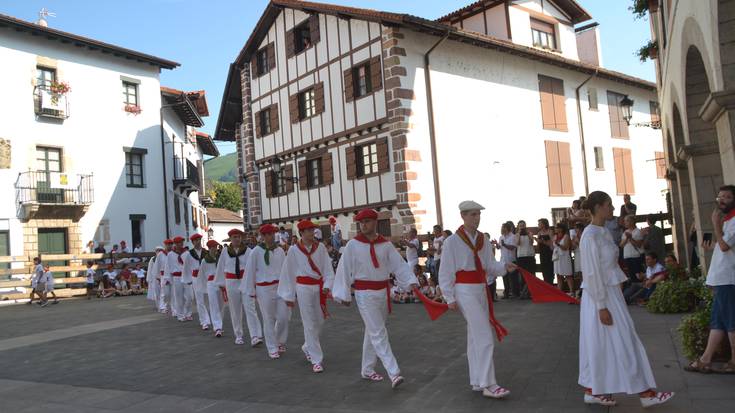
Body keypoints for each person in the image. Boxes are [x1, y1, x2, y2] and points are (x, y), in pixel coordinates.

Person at [578, 191, 673, 407]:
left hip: (610, 294)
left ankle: (594, 389)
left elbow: (608, 265)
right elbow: (591, 273)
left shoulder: (601, 232)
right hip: (600, 297)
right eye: (609, 204)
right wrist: (602, 306)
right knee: (620, 339)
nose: (613, 208)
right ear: (598, 207)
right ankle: (645, 393)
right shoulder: (590, 235)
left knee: (604, 342)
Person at [332, 208, 419, 389]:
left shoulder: (385, 245)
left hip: (382, 292)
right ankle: (394, 372)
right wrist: (343, 293)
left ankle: (367, 369)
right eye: (361, 223)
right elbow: (344, 268)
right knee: (378, 332)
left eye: (367, 222)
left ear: (375, 222)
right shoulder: (353, 245)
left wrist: (410, 281)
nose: (364, 225)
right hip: (364, 294)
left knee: (373, 331)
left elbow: (399, 265)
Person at [439, 200, 514, 399]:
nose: (476, 218)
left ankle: (478, 381)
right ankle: (489, 383)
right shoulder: (452, 241)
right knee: (483, 335)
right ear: (463, 216)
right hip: (463, 290)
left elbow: (489, 265)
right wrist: (449, 296)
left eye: (478, 214)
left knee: (474, 336)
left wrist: (504, 267)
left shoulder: (482, 239)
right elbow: (445, 270)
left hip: (480, 288)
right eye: (472, 214)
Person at [686, 185, 735, 374]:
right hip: (720, 278)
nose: (721, 200)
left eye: (727, 197)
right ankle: (705, 359)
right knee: (718, 322)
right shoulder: (728, 220)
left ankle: (732, 361)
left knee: (730, 321)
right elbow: (724, 246)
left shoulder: (732, 220)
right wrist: (712, 245)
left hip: (727, 278)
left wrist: (715, 224)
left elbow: (724, 247)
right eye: (720, 196)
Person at [279, 220, 335, 372]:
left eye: (313, 230)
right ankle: (317, 360)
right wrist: (289, 295)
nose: (312, 233)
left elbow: (328, 269)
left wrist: (327, 285)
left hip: (318, 287)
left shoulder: (321, 247)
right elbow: (288, 273)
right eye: (309, 230)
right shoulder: (293, 250)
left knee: (320, 320)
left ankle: (307, 346)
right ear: (301, 233)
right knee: (309, 323)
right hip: (303, 288)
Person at [245, 224, 291, 359]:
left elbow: (285, 271)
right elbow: (250, 272)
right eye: (269, 234)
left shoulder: (280, 251)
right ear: (263, 236)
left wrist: (289, 288)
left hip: (279, 287)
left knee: (283, 317)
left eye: (273, 233)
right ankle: (272, 347)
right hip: (263, 289)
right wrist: (251, 291)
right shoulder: (256, 252)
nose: (272, 236)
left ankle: (280, 340)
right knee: (268, 318)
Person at [216, 228, 263, 346]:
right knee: (235, 309)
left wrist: (255, 283)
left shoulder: (248, 251)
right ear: (230, 239)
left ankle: (255, 335)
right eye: (234, 237)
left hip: (245, 281)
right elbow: (221, 267)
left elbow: (253, 268)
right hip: (231, 281)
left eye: (238, 237)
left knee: (250, 307)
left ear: (241, 238)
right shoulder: (225, 251)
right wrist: (221, 284)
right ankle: (238, 334)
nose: (236, 239)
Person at [183, 233, 210, 330]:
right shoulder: (189, 254)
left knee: (207, 299)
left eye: (199, 239)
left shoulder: (206, 252)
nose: (198, 242)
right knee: (199, 300)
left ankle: (207, 318)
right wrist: (188, 279)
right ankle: (204, 321)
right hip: (195, 278)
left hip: (205, 277)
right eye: (195, 240)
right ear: (192, 242)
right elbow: (186, 267)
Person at [201, 240, 225, 337]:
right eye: (213, 247)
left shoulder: (220, 259)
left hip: (220, 282)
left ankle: (220, 323)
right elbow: (202, 274)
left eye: (216, 247)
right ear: (209, 248)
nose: (215, 249)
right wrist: (204, 287)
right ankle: (217, 327)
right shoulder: (204, 260)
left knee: (221, 305)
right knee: (214, 305)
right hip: (211, 283)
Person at [166, 236, 188, 321]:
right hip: (176, 277)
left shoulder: (186, 253)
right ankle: (180, 315)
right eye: (179, 242)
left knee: (189, 296)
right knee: (178, 296)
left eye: (182, 242)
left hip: (185, 276)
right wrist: (168, 278)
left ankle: (186, 311)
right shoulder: (170, 254)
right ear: (175, 244)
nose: (181, 244)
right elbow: (167, 266)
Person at [620, 216, 645, 286]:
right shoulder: (625, 232)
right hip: (627, 256)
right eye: (625, 221)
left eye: (627, 221)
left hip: (636, 257)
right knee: (631, 275)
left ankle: (641, 289)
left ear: (632, 221)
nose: (625, 223)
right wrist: (626, 238)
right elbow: (621, 245)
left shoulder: (638, 231)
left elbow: (639, 245)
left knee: (639, 276)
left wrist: (630, 238)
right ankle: (634, 289)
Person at [496, 222, 518, 299]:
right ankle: (507, 293)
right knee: (504, 277)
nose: (502, 229)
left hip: (511, 259)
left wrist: (504, 245)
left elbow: (513, 247)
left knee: (512, 278)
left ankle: (515, 293)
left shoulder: (513, 236)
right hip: (503, 260)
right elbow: (500, 247)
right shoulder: (501, 237)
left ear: (508, 228)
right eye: (502, 228)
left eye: (504, 228)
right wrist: (497, 245)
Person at [514, 220, 535, 299]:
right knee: (523, 275)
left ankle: (531, 292)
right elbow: (518, 243)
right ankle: (523, 293)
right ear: (518, 227)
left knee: (531, 274)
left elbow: (532, 242)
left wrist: (529, 235)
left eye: (523, 225)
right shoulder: (517, 234)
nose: (522, 227)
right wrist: (519, 234)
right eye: (520, 226)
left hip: (529, 255)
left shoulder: (530, 233)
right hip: (521, 257)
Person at [553, 223, 574, 296]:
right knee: (558, 275)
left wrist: (558, 244)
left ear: (561, 228)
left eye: (557, 227)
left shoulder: (566, 236)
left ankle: (572, 292)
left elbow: (566, 247)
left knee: (567, 275)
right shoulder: (555, 236)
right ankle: (559, 292)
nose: (555, 229)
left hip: (564, 257)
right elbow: (553, 247)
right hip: (557, 257)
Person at [535, 219, 555, 285]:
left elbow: (552, 244)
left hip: (549, 253)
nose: (538, 225)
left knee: (550, 270)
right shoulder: (539, 233)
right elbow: (538, 246)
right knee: (544, 270)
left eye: (539, 223)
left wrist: (543, 242)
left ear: (543, 224)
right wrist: (536, 241)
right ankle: (546, 285)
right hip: (542, 253)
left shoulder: (550, 231)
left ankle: (551, 285)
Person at [158, 239, 175, 314]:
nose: (169, 246)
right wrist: (158, 276)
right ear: (165, 245)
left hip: (172, 275)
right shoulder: (161, 254)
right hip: (163, 275)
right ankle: (163, 306)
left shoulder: (174, 253)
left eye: (171, 244)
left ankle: (174, 307)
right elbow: (157, 266)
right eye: (168, 244)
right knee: (164, 292)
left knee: (173, 292)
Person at [146, 246, 164, 310]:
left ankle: (162, 306)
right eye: (157, 251)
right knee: (156, 292)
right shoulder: (152, 259)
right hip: (154, 278)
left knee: (163, 292)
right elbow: (150, 269)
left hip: (162, 277)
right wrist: (149, 278)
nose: (158, 252)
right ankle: (158, 305)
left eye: (160, 250)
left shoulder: (164, 258)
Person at [570, 222, 584, 298]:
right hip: (577, 254)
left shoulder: (583, 235)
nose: (575, 230)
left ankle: (583, 289)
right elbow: (573, 247)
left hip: (583, 254)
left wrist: (577, 241)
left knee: (583, 271)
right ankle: (581, 288)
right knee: (579, 273)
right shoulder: (575, 236)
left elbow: (583, 245)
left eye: (576, 228)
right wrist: (573, 242)